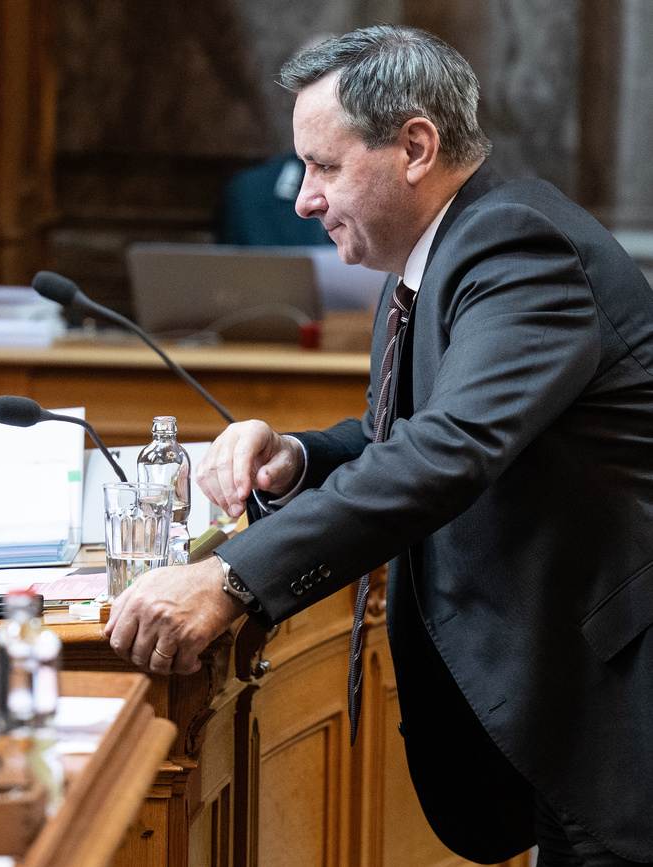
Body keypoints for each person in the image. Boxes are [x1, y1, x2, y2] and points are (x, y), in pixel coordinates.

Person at [106, 25, 653, 866]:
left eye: (325, 166)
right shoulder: (435, 259)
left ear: (416, 147)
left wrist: (232, 578)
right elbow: (395, 435)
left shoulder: (517, 247)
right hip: (562, 706)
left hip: (614, 710)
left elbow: (450, 449)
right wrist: (294, 459)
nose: (302, 199)